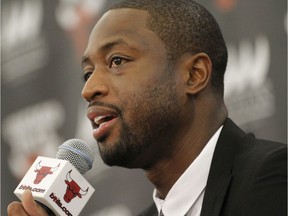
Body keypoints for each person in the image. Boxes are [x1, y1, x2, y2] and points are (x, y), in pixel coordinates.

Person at [7, 0, 287, 215]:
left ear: (194, 75)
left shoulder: (274, 178)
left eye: (117, 61)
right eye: (87, 73)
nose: (88, 89)